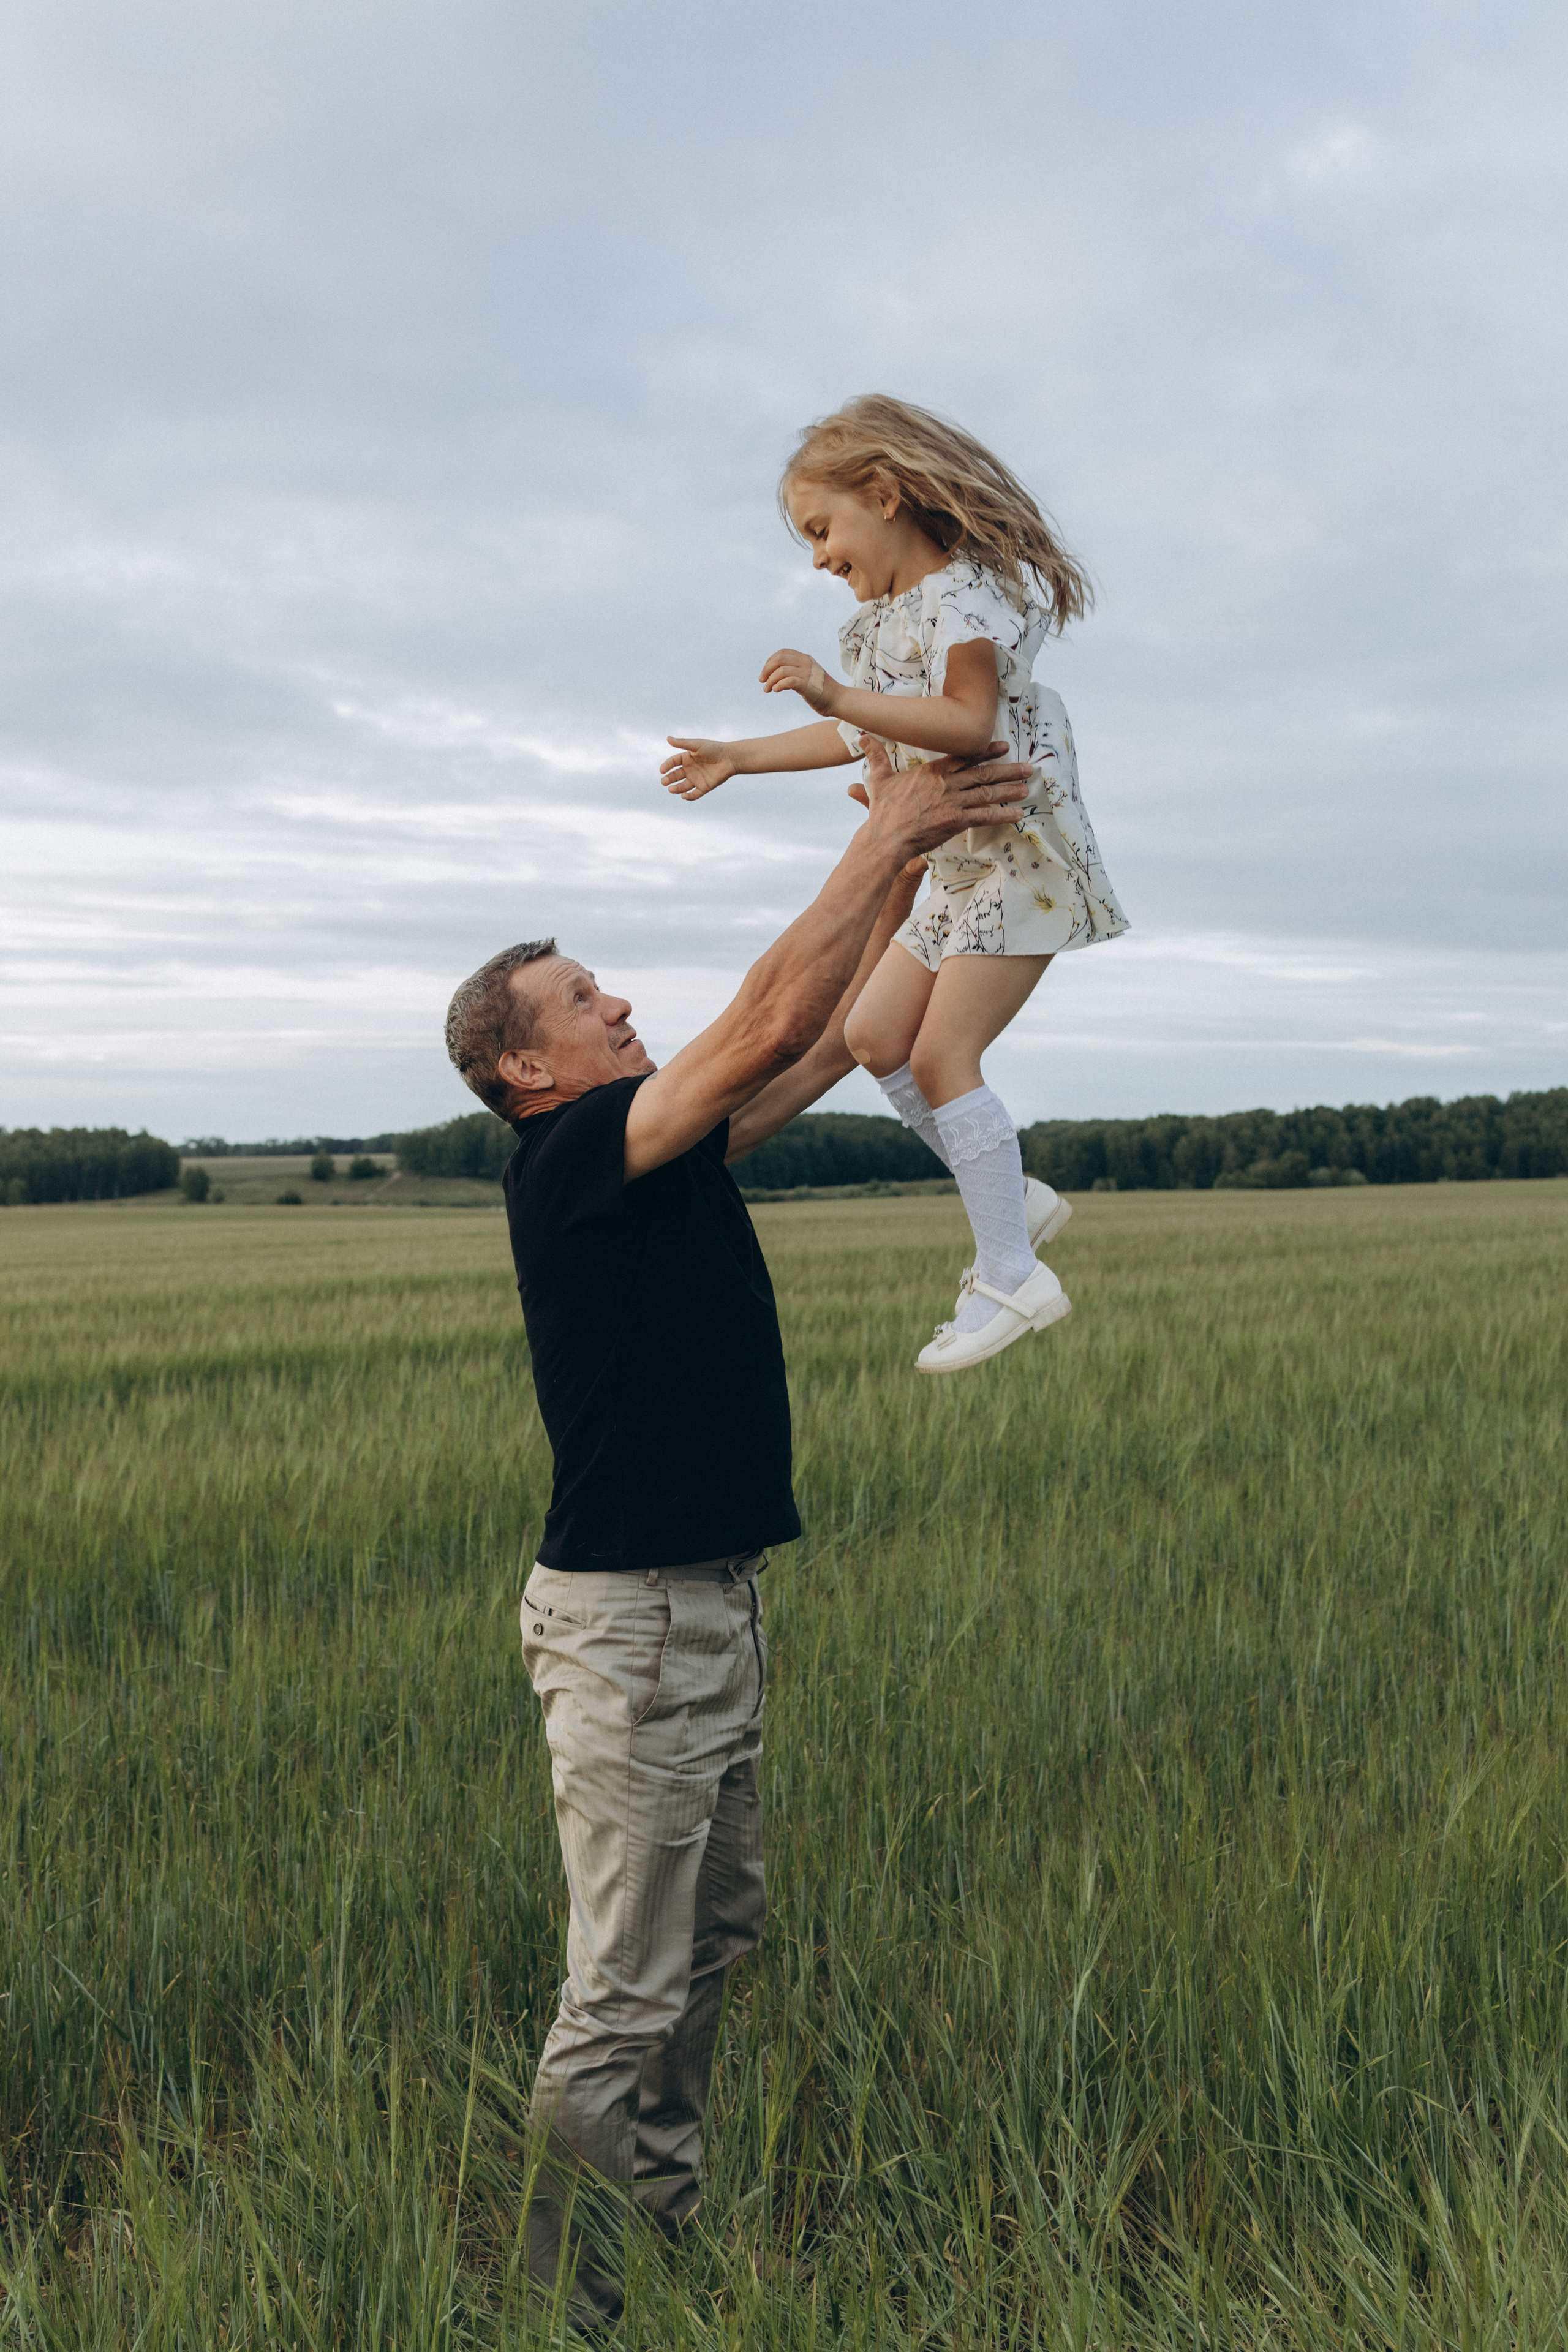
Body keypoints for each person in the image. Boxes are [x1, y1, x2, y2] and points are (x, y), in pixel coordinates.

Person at [443, 737, 1030, 2332]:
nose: (622, 1006)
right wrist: (890, 819)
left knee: (711, 1942)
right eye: (589, 1001)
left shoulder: (664, 1145)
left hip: (710, 1606)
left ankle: (661, 2249)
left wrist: (922, 877)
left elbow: (824, 1046)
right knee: (623, 1987)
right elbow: (765, 1015)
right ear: (529, 1073)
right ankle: (571, 2302)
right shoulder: (573, 1161)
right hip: (623, 1629)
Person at [661, 393, 1131, 1373]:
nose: (821, 558)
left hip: (1018, 858)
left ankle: (1012, 1271)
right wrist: (740, 757)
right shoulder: (879, 628)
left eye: (823, 529)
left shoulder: (969, 597)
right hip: (954, 871)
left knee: (943, 1057)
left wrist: (837, 694)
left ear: (886, 494)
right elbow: (863, 730)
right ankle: (1019, 1197)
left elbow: (967, 723)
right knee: (877, 1038)